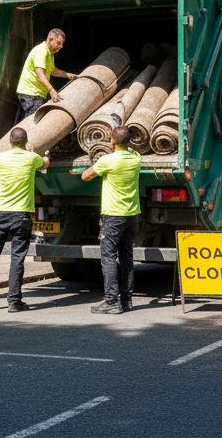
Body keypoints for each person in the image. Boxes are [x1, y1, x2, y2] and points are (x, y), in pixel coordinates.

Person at [0, 127, 49, 312]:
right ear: (26, 141)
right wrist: (46, 154)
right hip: (21, 215)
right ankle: (14, 301)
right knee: (17, 258)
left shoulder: (0, 158)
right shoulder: (32, 158)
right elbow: (45, 164)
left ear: (10, 142)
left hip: (0, 213)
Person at [80, 125, 142, 314]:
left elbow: (85, 176)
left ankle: (111, 302)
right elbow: (129, 148)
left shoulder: (107, 160)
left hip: (113, 216)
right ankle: (127, 300)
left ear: (112, 142)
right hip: (132, 215)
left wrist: (101, 161)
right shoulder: (136, 158)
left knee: (108, 258)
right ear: (130, 142)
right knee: (127, 258)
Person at [16, 28, 76, 117]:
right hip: (31, 92)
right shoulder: (41, 51)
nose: (61, 46)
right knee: (34, 120)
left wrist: (68, 75)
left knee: (36, 119)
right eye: (59, 43)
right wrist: (51, 90)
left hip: (37, 93)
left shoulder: (50, 54)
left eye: (62, 44)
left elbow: (53, 71)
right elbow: (40, 73)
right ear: (50, 40)